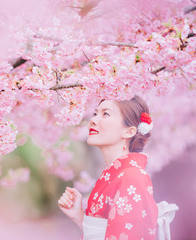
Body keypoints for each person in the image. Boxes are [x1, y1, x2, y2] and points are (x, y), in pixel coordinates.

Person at [58, 95, 158, 240]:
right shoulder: (116, 174)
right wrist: (79, 217)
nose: (93, 120)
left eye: (106, 114)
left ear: (129, 131)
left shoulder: (131, 177)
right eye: (95, 113)